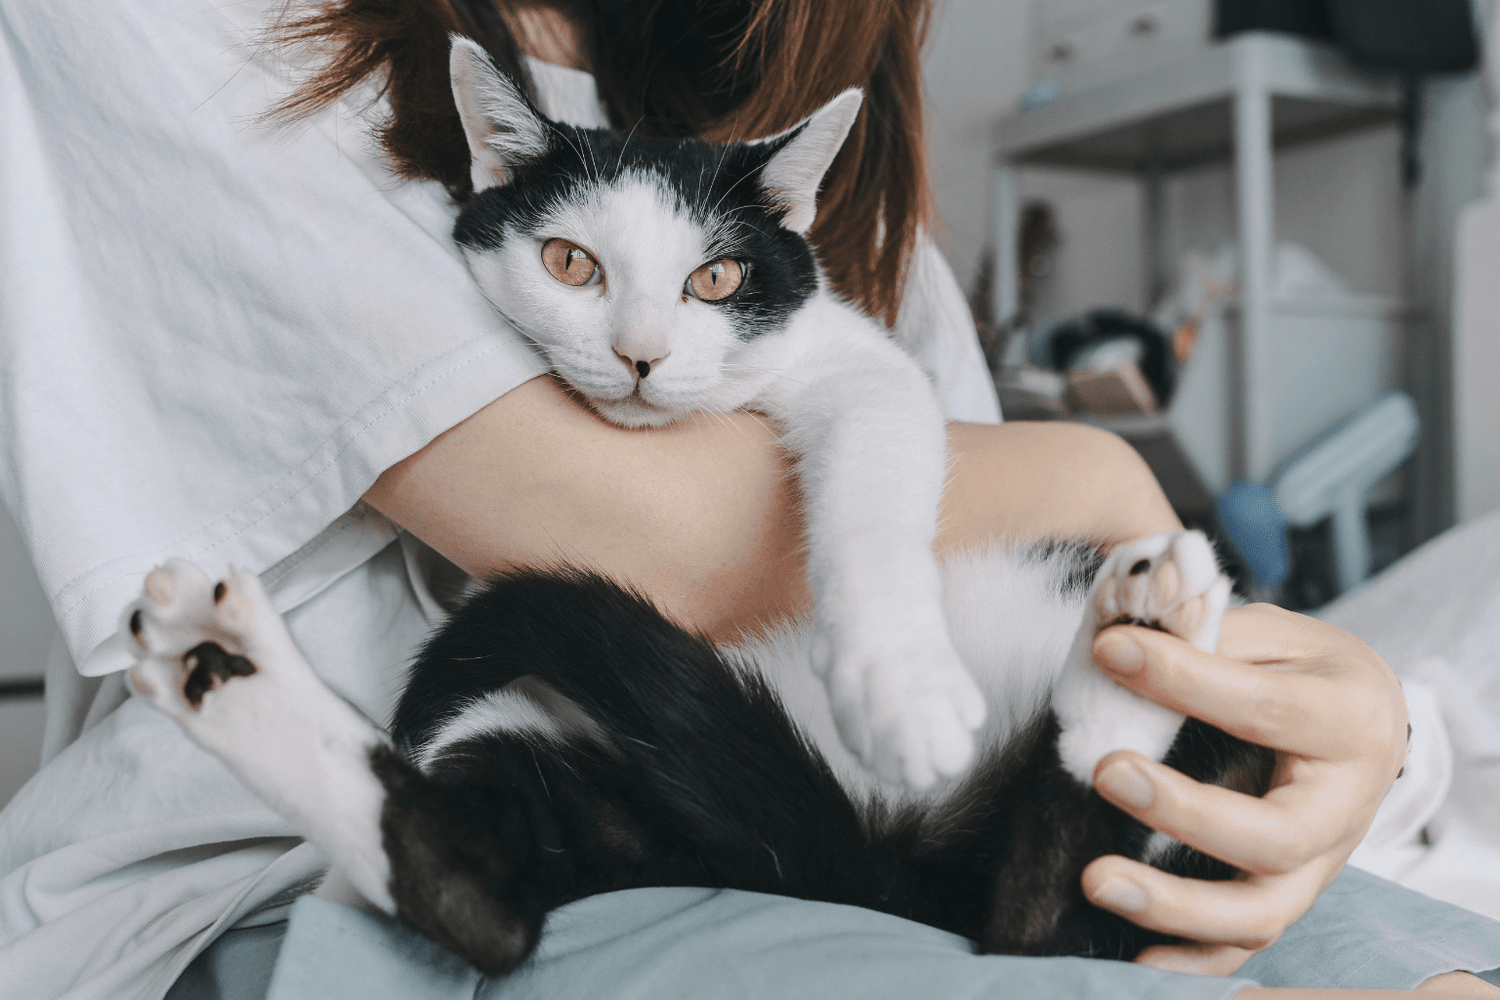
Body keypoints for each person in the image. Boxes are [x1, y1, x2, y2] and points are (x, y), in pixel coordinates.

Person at [0, 1, 1494, 998]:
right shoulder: (184, 26)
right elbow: (669, 550)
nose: (646, 345)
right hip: (307, 881)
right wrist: (1106, 471)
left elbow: (984, 615)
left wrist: (1364, 731)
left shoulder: (793, 117)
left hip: (871, 817)